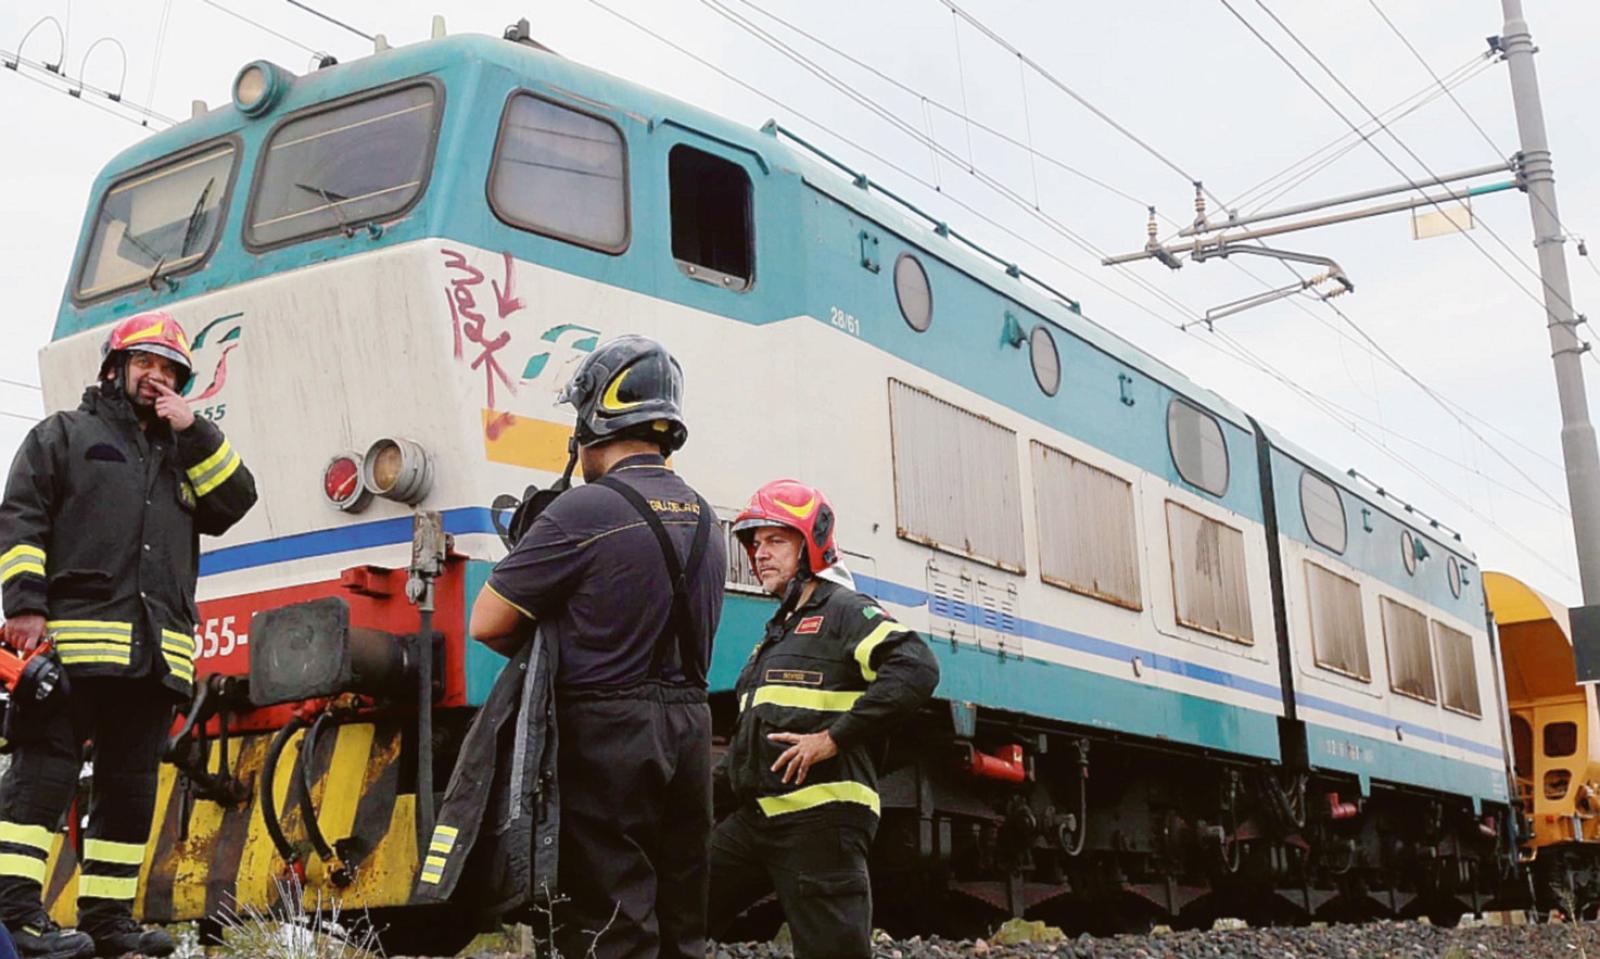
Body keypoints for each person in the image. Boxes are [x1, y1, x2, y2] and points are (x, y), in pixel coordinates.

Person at [0, 310, 257, 959]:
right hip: (69, 648)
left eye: (169, 370)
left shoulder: (185, 454)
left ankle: (109, 918)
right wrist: (25, 604)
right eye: (145, 364)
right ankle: (14, 915)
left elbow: (237, 500)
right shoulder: (63, 435)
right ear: (115, 369)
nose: (156, 378)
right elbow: (20, 520)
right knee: (43, 774)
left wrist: (193, 427)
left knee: (130, 786)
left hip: (154, 658)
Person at [466, 335, 725, 959]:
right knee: (680, 919)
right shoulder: (707, 519)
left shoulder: (584, 511)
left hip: (607, 734)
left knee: (614, 920)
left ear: (591, 421)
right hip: (690, 731)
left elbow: (487, 621)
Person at [709, 479, 940, 959]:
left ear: (811, 547)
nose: (759, 553)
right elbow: (754, 741)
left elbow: (916, 666)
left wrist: (832, 740)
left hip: (822, 823)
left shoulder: (843, 611)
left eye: (776, 540)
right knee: (678, 914)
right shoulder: (780, 631)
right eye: (755, 543)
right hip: (760, 819)